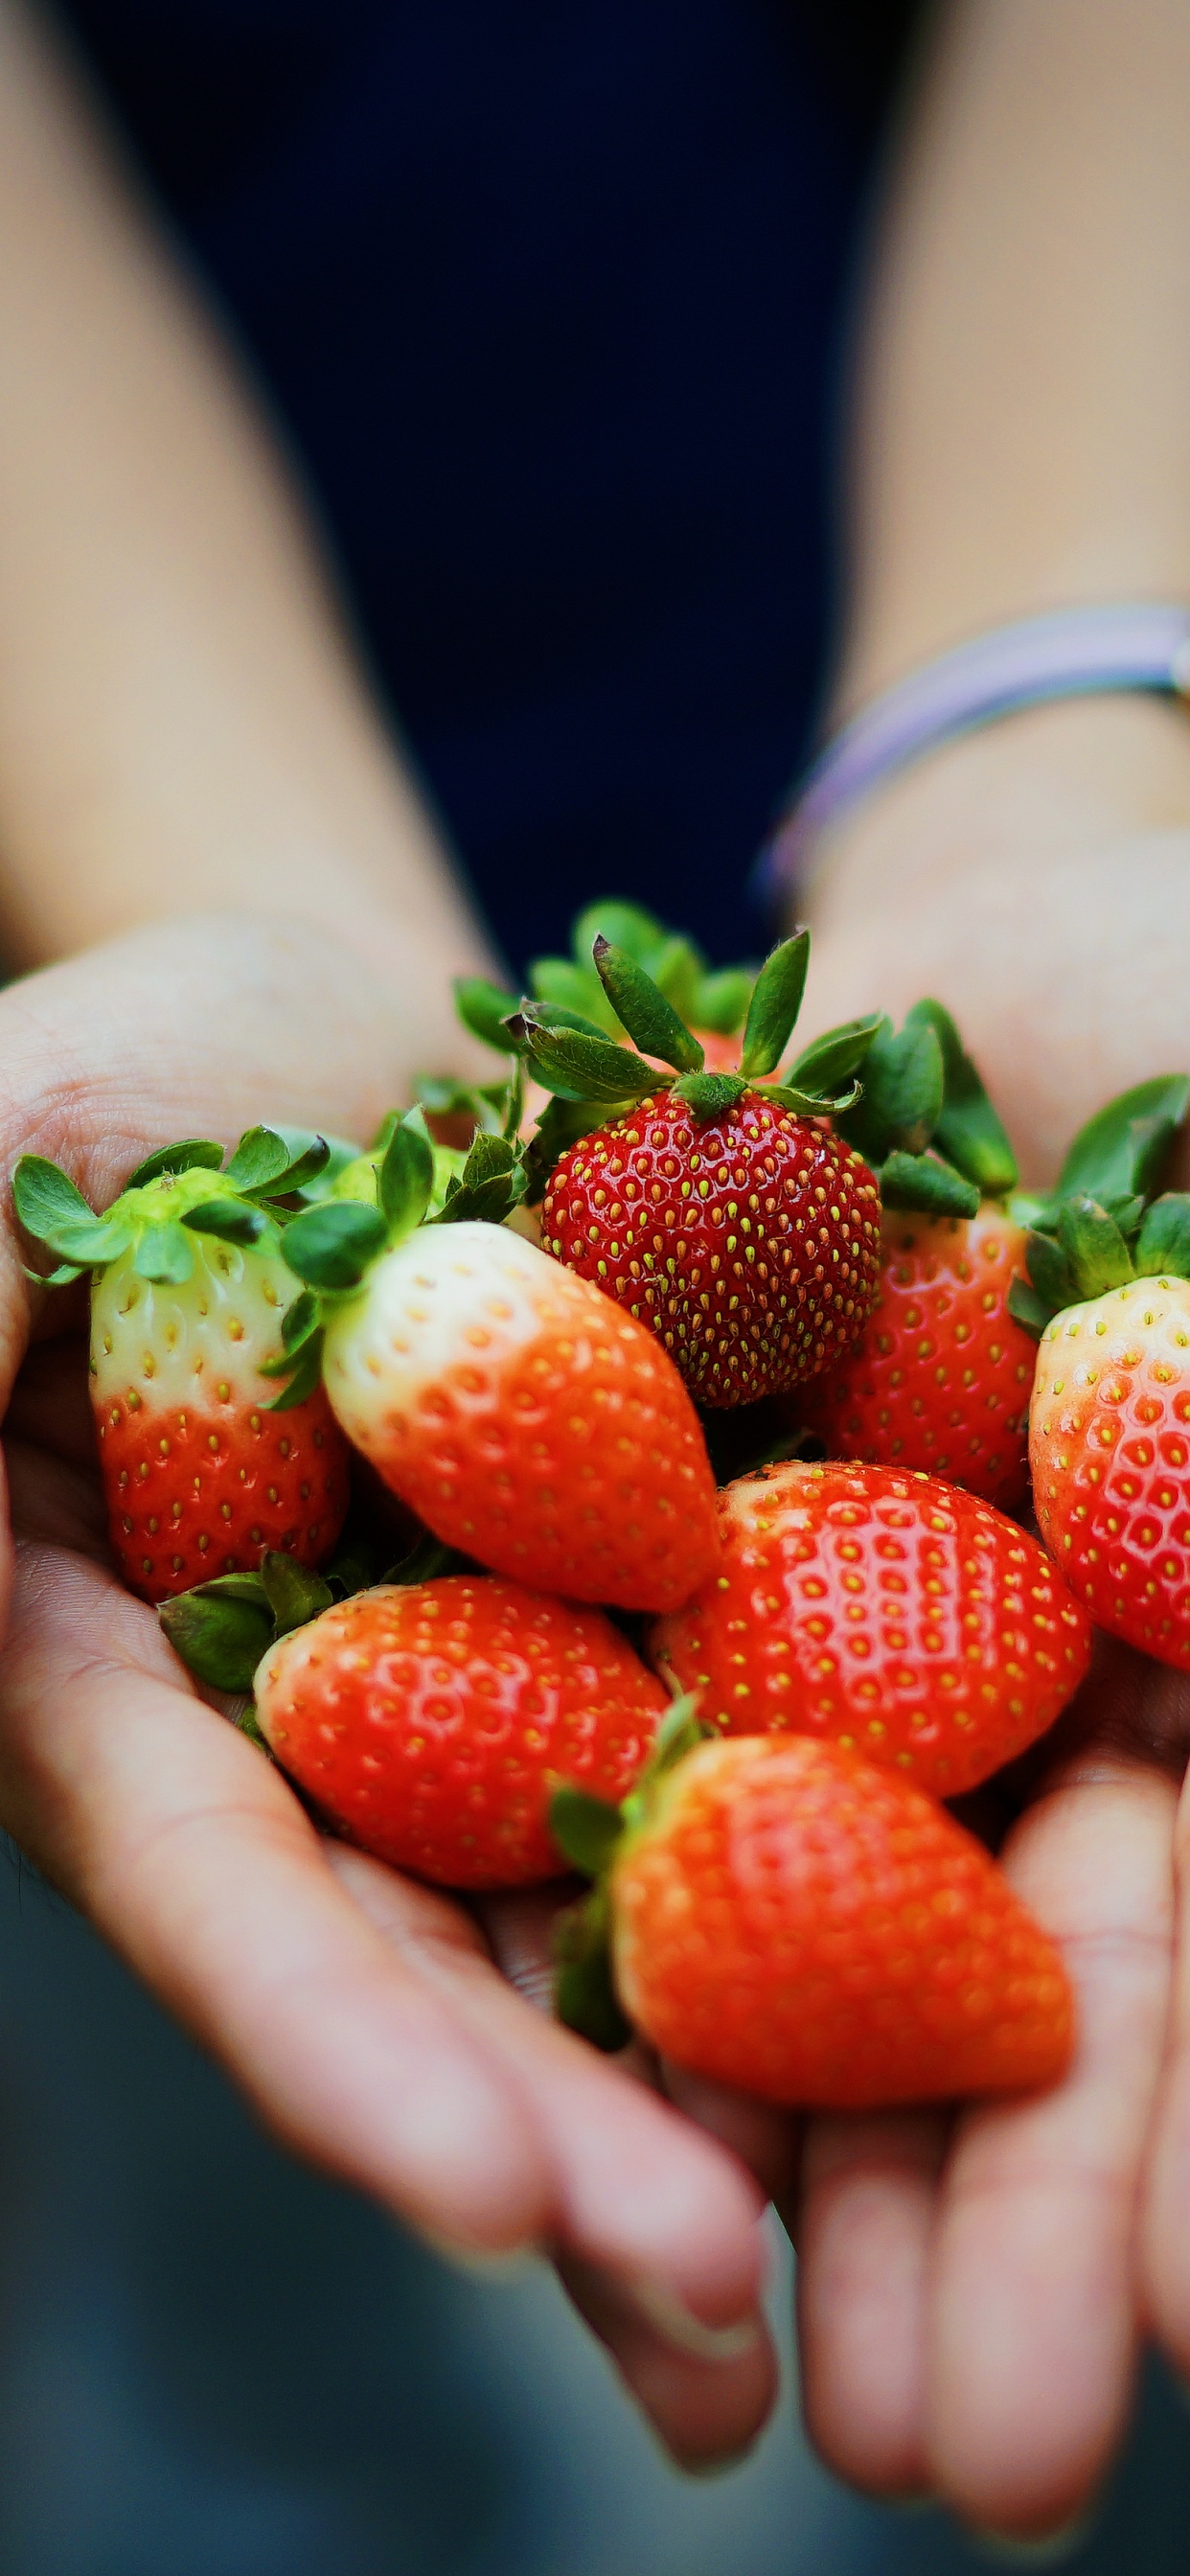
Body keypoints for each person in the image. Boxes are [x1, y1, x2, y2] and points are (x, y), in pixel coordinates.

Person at [0, 0, 1189, 2547]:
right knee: (256, 2257)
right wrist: (214, 899)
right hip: (82, 760)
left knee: (1051, 2263)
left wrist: (1044, 738)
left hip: (907, 460)